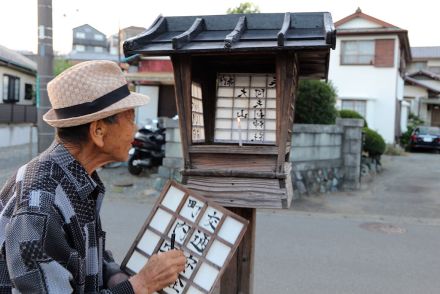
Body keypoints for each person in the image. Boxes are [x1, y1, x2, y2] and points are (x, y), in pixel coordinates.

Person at [0, 60, 186, 293]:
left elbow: (86, 255)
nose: (135, 128)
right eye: (130, 117)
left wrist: (115, 276)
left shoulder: (74, 177)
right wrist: (140, 285)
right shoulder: (41, 199)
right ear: (98, 130)